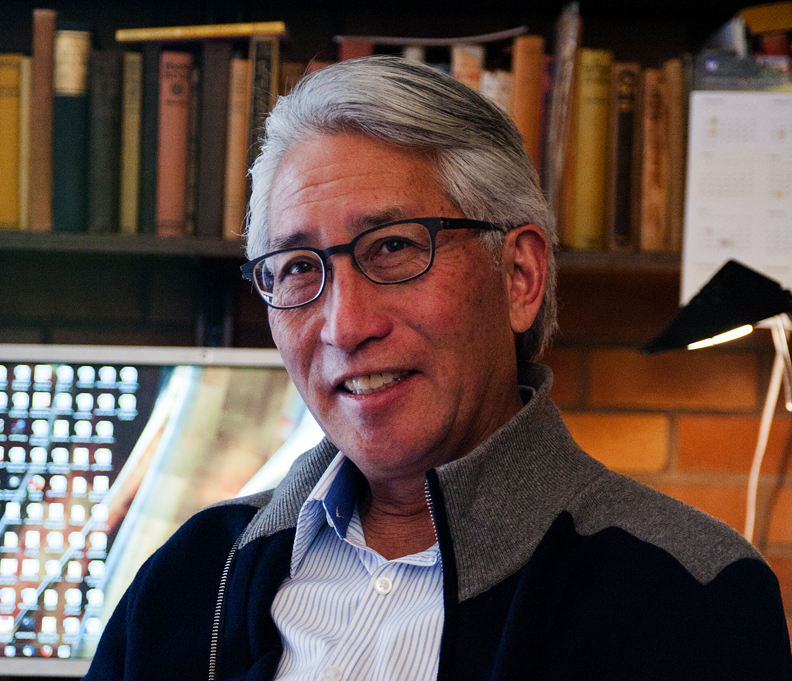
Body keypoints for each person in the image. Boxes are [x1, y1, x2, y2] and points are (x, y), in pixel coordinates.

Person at [86, 56, 792, 680]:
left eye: (393, 247)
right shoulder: (187, 583)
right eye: (299, 266)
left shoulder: (690, 593)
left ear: (518, 275)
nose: (345, 325)